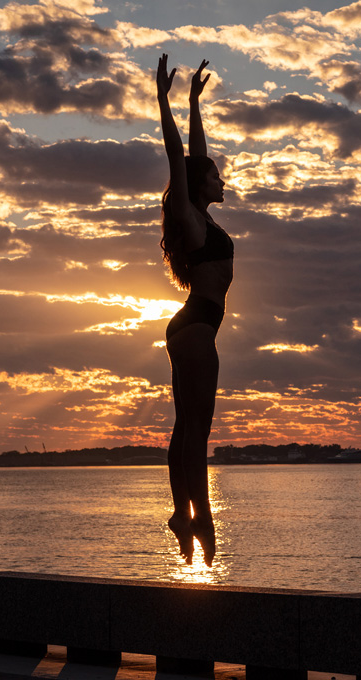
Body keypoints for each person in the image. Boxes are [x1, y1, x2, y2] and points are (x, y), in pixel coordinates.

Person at [156, 54, 233, 566]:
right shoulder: (191, 218)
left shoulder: (200, 217)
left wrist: (192, 103)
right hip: (197, 327)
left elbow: (195, 155)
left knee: (186, 427)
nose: (222, 180)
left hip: (190, 327)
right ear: (199, 186)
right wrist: (163, 103)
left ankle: (182, 514)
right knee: (196, 430)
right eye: (216, 177)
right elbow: (178, 156)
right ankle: (198, 514)